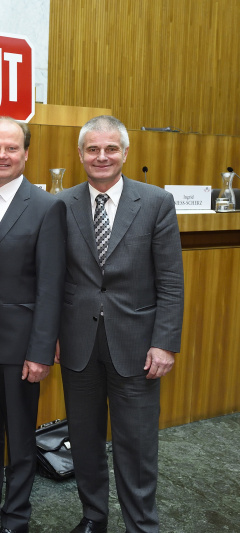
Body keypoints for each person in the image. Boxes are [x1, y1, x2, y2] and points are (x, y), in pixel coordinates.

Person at [56, 115, 184, 533]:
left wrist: (164, 343)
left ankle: (140, 525)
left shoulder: (155, 203)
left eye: (111, 148)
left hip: (137, 346)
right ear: (80, 155)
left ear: (125, 153)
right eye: (93, 149)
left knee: (136, 445)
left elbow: (170, 281)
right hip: (78, 346)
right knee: (85, 440)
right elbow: (54, 279)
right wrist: (51, 337)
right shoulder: (62, 204)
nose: (102, 156)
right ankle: (94, 516)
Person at [0, 117, 66, 533]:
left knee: (19, 439)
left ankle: (17, 514)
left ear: (26, 153)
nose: (2, 156)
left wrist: (41, 351)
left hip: (21, 347)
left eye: (11, 148)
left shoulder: (45, 207)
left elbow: (51, 284)